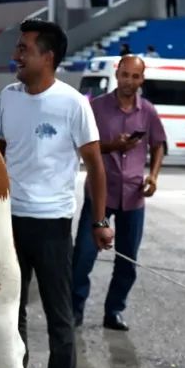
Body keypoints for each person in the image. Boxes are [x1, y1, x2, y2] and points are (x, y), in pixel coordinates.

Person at [0, 19, 114, 368]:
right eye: (19, 48)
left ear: (48, 57)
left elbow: (95, 165)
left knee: (59, 312)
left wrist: (98, 220)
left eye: (25, 49)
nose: (17, 55)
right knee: (9, 310)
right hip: (10, 222)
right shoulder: (8, 97)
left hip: (55, 223)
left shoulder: (73, 103)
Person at [72, 55, 166, 332]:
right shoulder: (97, 107)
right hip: (101, 194)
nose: (129, 81)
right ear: (117, 74)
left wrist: (154, 176)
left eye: (135, 77)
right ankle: (75, 310)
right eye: (125, 75)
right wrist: (112, 146)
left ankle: (114, 311)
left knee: (127, 262)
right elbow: (83, 146)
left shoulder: (147, 111)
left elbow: (159, 144)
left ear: (142, 79)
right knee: (83, 258)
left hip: (134, 197)